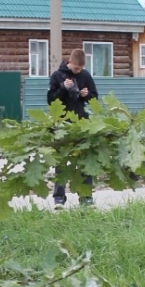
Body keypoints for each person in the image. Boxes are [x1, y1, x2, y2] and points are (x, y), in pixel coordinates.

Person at [47, 47, 98, 207]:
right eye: (76, 68)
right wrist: (63, 88)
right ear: (70, 62)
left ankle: (86, 196)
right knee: (61, 162)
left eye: (81, 68)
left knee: (85, 160)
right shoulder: (57, 76)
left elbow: (95, 98)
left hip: (81, 123)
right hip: (62, 124)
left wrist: (87, 95)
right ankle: (59, 197)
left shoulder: (85, 75)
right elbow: (51, 100)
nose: (79, 71)